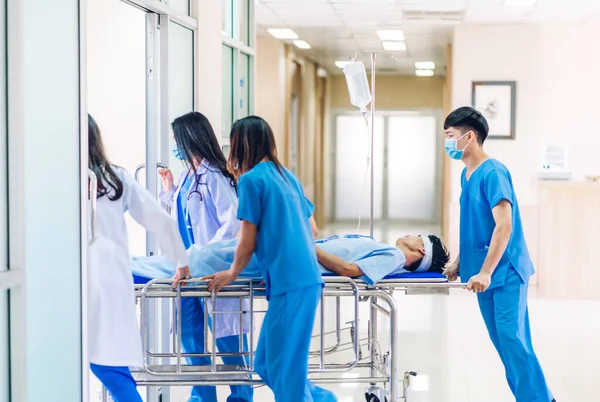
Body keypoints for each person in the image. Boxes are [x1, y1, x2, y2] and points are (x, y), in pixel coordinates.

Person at [202, 116, 337, 402]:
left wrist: (231, 274)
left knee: (285, 372)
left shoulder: (251, 181)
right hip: (301, 280)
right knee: (265, 363)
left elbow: (247, 241)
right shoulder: (287, 176)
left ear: (242, 144)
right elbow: (312, 229)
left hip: (291, 283)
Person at [442, 106, 555, 402]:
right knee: (503, 344)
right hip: (484, 273)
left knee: (514, 340)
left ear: (469, 136)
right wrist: (459, 261)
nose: (447, 143)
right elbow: (475, 225)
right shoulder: (467, 175)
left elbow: (503, 227)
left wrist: (486, 271)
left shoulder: (493, 172)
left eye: (450, 135)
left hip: (504, 272)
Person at [87, 115, 189, 402]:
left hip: (87, 277)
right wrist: (181, 262)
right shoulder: (115, 177)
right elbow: (159, 219)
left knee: (103, 363)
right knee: (107, 361)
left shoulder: (63, 178)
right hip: (109, 275)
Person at [158, 111, 252, 402]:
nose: (174, 145)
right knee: (190, 339)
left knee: (229, 341)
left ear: (190, 138)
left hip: (210, 269)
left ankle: (241, 396)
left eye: (176, 139)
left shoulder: (213, 175)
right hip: (186, 270)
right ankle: (202, 397)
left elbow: (233, 221)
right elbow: (182, 218)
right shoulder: (189, 175)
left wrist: (206, 253)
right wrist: (170, 190)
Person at [131, 233, 451, 287]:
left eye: (417, 237)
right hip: (290, 251)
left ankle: (132, 267)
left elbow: (352, 271)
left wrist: (304, 244)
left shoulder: (394, 256)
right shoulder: (387, 249)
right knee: (212, 254)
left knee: (207, 258)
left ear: (421, 252)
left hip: (291, 258)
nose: (409, 235)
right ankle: (137, 264)